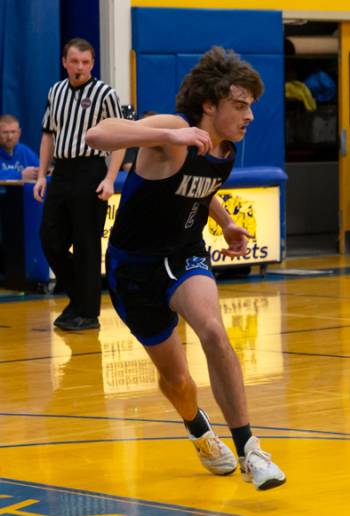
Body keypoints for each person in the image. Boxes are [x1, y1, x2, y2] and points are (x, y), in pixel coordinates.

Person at [85, 46, 286, 491]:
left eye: (251, 105)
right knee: (177, 379)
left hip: (184, 255)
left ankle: (250, 449)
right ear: (209, 104)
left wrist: (228, 222)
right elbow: (97, 134)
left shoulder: (227, 149)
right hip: (133, 268)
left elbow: (200, 189)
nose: (249, 115)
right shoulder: (173, 129)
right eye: (239, 105)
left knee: (213, 330)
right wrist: (170, 137)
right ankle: (198, 429)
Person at [33, 38, 125, 331]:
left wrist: (110, 178)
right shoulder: (55, 91)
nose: (80, 67)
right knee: (50, 239)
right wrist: (41, 175)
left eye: (86, 62)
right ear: (64, 62)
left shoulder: (105, 93)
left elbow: (121, 137)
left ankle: (88, 313)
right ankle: (80, 298)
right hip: (62, 172)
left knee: (87, 244)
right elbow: (48, 134)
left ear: (92, 64)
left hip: (91, 171)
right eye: (75, 62)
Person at [0, 114, 39, 181]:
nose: (10, 137)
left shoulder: (24, 151)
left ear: (19, 133)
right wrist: (20, 175)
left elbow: (41, 171)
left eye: (13, 132)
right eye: (5, 132)